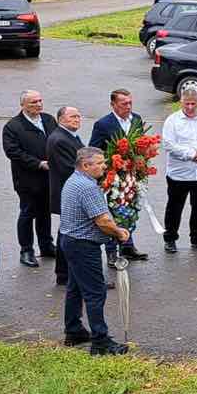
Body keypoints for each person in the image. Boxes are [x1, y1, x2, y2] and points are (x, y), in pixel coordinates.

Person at [57, 146, 131, 354]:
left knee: (75, 288)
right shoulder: (87, 187)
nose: (104, 166)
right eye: (99, 163)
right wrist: (119, 233)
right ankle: (100, 341)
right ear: (85, 165)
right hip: (83, 245)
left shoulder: (74, 180)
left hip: (70, 240)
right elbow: (103, 221)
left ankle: (74, 330)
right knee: (95, 292)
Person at [90, 89, 151, 264]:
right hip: (113, 176)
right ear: (113, 105)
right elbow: (94, 150)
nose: (128, 106)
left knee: (131, 209)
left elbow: (141, 145)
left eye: (130, 103)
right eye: (124, 103)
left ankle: (127, 245)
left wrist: (141, 160)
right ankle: (111, 251)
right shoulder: (103, 124)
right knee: (113, 212)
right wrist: (112, 163)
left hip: (132, 175)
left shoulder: (137, 119)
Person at [160, 81, 197, 253]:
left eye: (193, 104)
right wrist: (192, 154)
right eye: (186, 103)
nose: (190, 107)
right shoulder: (172, 121)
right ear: (181, 101)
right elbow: (169, 145)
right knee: (174, 207)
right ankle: (170, 238)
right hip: (179, 174)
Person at [1, 90, 57, 269]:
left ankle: (46, 245)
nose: (39, 105)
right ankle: (26, 250)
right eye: (34, 102)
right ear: (23, 105)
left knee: (45, 212)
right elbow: (13, 152)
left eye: (40, 101)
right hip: (27, 179)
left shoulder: (48, 120)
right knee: (28, 212)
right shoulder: (13, 126)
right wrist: (38, 163)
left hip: (49, 177)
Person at [45, 107, 85, 287]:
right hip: (69, 194)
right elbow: (70, 168)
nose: (77, 119)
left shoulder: (69, 136)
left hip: (70, 192)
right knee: (69, 234)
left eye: (78, 116)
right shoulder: (60, 139)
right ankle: (64, 274)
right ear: (60, 119)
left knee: (67, 232)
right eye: (72, 116)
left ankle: (66, 273)